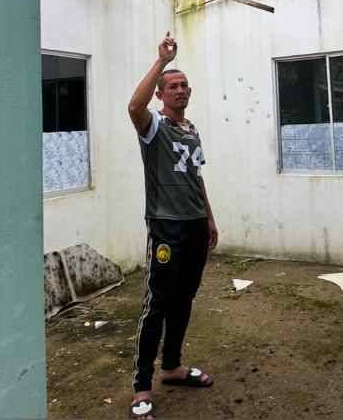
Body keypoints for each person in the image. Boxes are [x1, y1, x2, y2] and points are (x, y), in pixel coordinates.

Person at [126, 32, 219, 419]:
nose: (180, 91)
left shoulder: (191, 129)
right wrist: (161, 61)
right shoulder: (155, 127)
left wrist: (210, 217)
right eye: (172, 87)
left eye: (184, 86)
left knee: (184, 299)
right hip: (167, 227)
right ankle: (142, 385)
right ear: (162, 94)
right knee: (158, 304)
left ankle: (173, 367)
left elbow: (196, 176)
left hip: (196, 224)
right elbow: (134, 106)